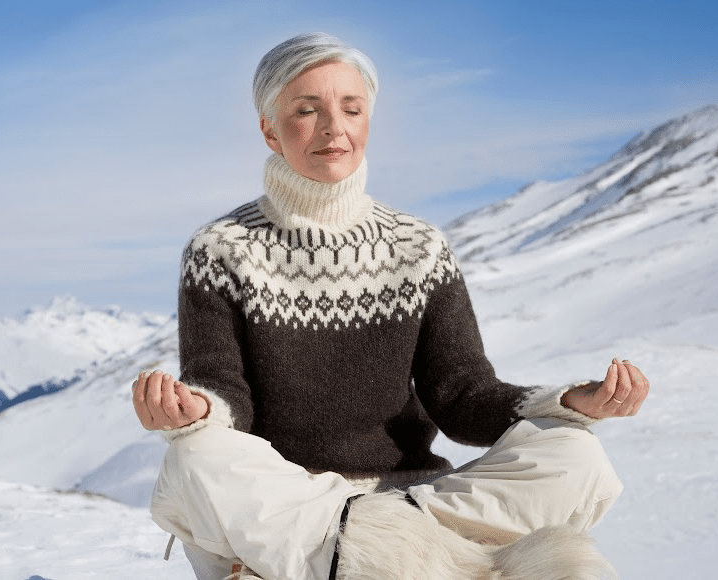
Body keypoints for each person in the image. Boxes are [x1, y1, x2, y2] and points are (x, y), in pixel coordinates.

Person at [132, 33, 649, 580]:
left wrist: (569, 400)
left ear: (368, 120)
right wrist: (196, 413)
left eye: (351, 109)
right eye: (307, 110)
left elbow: (463, 396)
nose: (335, 128)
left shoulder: (419, 247)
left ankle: (353, 556)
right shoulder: (220, 250)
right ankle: (425, 560)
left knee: (575, 454)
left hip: (412, 499)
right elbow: (223, 392)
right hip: (291, 502)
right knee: (194, 457)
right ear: (269, 129)